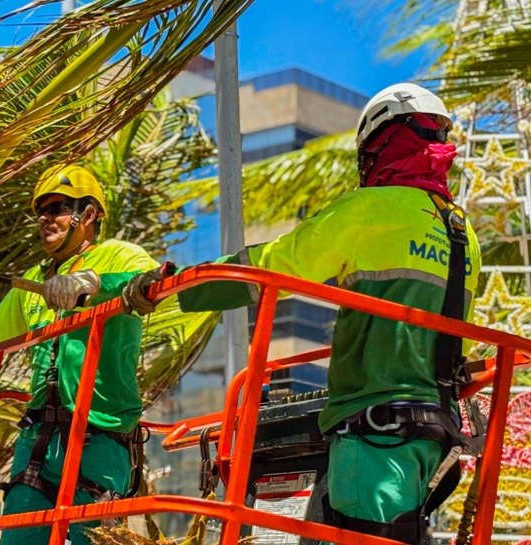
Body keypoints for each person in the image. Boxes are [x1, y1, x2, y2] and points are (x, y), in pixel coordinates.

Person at [123, 83, 482, 544]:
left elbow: (274, 265)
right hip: (436, 432)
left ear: (377, 144)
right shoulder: (462, 232)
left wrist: (176, 288)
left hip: (375, 430)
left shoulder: (371, 208)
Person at [0, 165, 159, 545]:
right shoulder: (32, 282)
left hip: (99, 439)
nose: (44, 217)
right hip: (40, 440)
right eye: (41, 210)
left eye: (56, 208)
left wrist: (95, 283)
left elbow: (153, 285)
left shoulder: (121, 255)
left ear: (88, 215)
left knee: (94, 538)